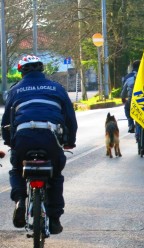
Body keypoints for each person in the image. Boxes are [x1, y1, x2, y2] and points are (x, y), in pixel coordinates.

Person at [1, 55, 78, 234]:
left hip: (23, 136)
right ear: (42, 69)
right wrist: (70, 141)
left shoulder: (15, 90)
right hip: (50, 137)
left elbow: (6, 122)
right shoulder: (57, 88)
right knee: (56, 175)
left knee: (16, 169)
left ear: (21, 71)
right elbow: (70, 119)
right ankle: (55, 219)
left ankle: (20, 200)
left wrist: (9, 141)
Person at [121, 60, 140, 133]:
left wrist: (123, 99)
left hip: (131, 99)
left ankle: (131, 125)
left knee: (127, 109)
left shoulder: (128, 77)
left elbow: (124, 91)